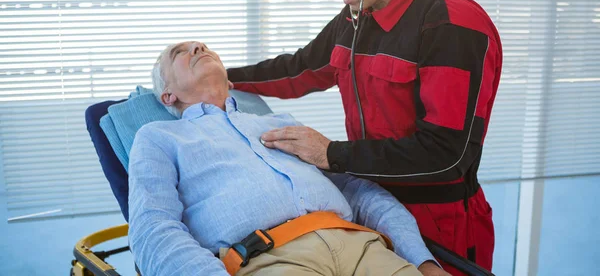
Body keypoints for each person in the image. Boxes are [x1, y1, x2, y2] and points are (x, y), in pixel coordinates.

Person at [226, 0, 502, 274]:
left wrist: (331, 154)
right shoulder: (355, 19)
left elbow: (446, 156)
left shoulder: (452, 25)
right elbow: (300, 69)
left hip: (442, 226)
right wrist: (225, 78)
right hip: (373, 210)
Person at [128, 41, 452, 276]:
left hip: (362, 247)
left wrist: (422, 261)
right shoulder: (159, 138)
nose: (198, 47)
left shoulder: (282, 123)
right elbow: (153, 228)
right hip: (271, 261)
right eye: (180, 53)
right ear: (167, 95)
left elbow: (360, 192)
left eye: (202, 46)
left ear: (229, 82)